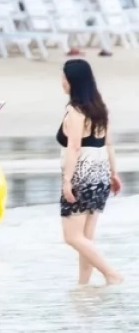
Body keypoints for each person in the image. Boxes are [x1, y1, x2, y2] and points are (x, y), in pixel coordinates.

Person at [58, 59, 123, 285]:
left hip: (82, 175)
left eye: (64, 77)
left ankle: (112, 274)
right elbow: (108, 144)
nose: (62, 81)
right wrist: (113, 173)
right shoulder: (99, 109)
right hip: (100, 174)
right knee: (86, 238)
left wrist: (67, 180)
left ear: (72, 81)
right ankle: (83, 287)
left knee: (72, 237)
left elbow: (74, 147)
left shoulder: (75, 111)